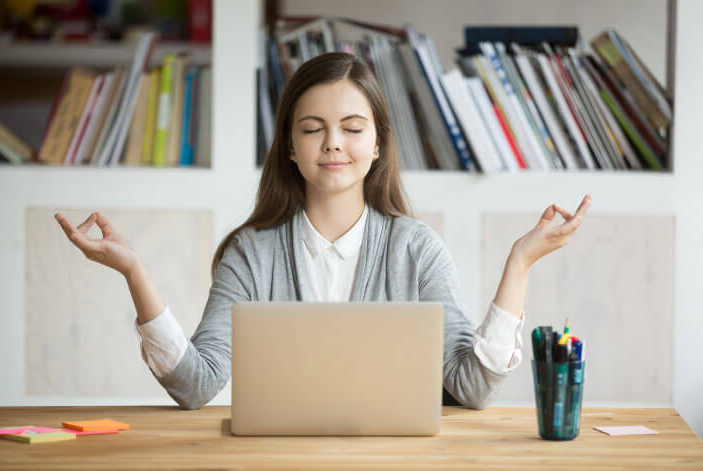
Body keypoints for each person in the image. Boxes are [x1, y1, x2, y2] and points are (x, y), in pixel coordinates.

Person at [55, 52, 591, 411]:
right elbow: (197, 386)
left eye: (353, 129)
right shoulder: (252, 253)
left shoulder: (415, 248)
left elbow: (470, 388)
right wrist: (134, 271)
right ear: (290, 146)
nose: (333, 144)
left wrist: (519, 263)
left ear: (377, 144)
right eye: (313, 130)